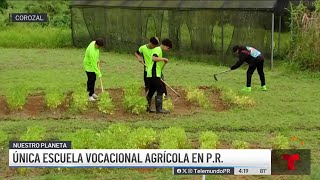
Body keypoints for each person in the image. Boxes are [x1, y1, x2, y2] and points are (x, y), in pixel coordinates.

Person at [146, 38, 172, 113]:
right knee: (160, 89)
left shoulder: (157, 50)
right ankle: (159, 109)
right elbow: (154, 58)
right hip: (154, 74)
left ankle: (148, 108)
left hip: (151, 73)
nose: (168, 50)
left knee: (152, 90)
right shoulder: (158, 49)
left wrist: (163, 61)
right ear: (164, 45)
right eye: (168, 48)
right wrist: (163, 59)